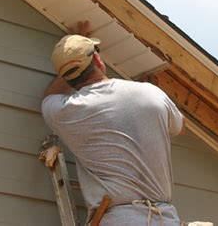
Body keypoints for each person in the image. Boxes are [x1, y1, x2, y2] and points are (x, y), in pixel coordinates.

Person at [41, 21, 183, 225]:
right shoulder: (150, 93)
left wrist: (70, 62)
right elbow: (179, 126)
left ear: (66, 78)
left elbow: (49, 96)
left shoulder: (66, 111)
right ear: (98, 59)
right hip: (164, 219)